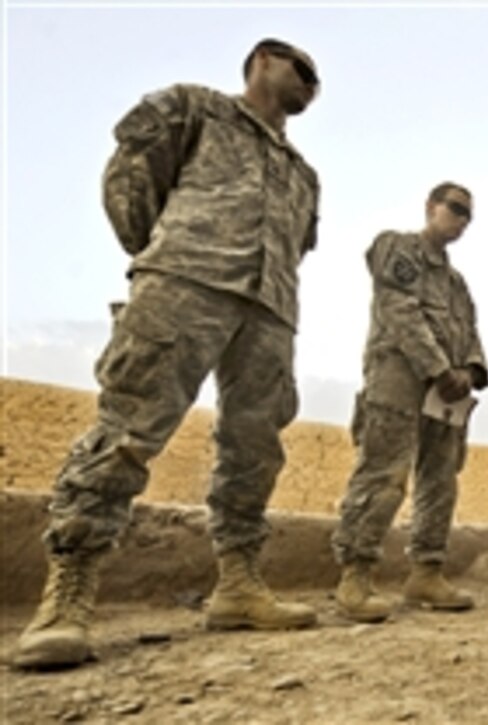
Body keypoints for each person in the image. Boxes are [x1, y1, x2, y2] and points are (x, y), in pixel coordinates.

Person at [14, 39, 323, 669]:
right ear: (263, 60)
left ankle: (238, 585)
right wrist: (162, 257)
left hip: (268, 312)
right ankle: (69, 593)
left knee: (254, 450)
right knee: (130, 429)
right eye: (304, 70)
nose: (312, 85)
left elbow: (298, 247)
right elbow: (131, 177)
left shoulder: (303, 172)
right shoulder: (195, 108)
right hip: (185, 284)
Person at [331, 182, 488, 618]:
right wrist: (439, 367)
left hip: (446, 395)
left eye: (467, 215)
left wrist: (470, 372)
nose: (460, 220)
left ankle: (426, 572)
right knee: (383, 473)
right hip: (398, 378)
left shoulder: (457, 284)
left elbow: (471, 333)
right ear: (431, 207)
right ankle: (355, 577)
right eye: (455, 209)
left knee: (440, 480)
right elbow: (400, 311)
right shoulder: (397, 248)